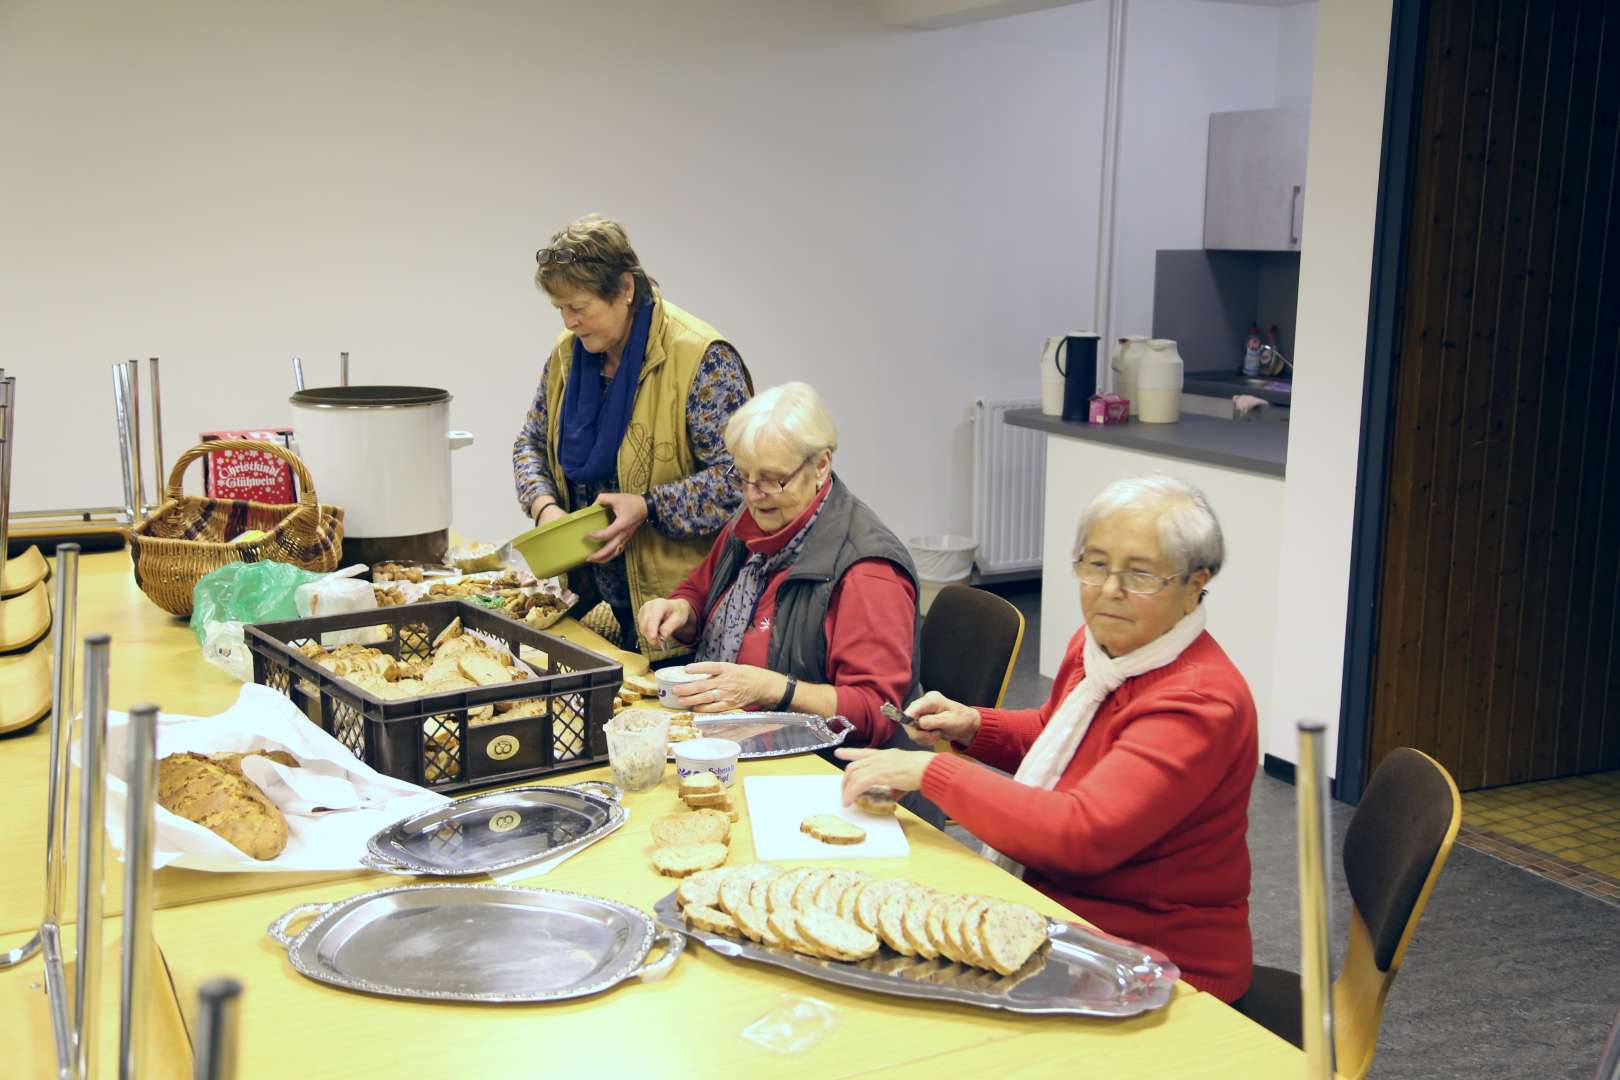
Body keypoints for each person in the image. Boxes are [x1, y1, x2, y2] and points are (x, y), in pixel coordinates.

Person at [836, 475, 1257, 1001]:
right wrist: (973, 725)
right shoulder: (1101, 648)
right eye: (1095, 564)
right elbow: (1059, 736)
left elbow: (1080, 834)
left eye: (1140, 574)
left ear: (1196, 583)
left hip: (1156, 965)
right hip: (1069, 914)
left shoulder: (1197, 702)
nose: (1109, 590)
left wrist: (931, 772)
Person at [513, 214, 752, 655]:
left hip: (680, 616)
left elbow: (741, 482)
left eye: (579, 308)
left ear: (625, 288)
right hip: (596, 602)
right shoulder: (568, 356)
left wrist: (648, 507)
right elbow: (529, 443)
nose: (568, 322)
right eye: (560, 309)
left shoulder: (702, 359)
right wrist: (545, 507)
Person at [636, 382, 921, 749]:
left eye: (772, 479)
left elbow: (876, 712)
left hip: (824, 766)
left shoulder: (868, 572)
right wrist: (679, 610)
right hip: (738, 735)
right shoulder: (753, 523)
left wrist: (772, 688)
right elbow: (700, 592)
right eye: (743, 476)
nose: (753, 495)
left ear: (820, 465)